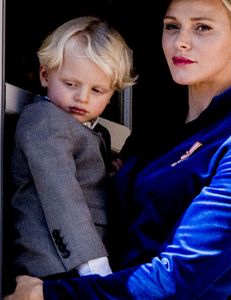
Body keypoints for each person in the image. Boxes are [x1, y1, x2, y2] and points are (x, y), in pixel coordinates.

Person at [5, 0, 231, 299]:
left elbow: (178, 278)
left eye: (202, 27)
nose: (180, 41)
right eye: (172, 26)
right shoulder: (157, 134)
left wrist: (50, 295)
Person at [7, 15, 136, 290]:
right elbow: (61, 193)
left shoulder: (93, 133)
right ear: (45, 75)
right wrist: (95, 266)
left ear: (112, 95)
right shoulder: (44, 120)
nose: (82, 98)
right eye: (71, 84)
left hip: (79, 265)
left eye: (97, 90)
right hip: (54, 264)